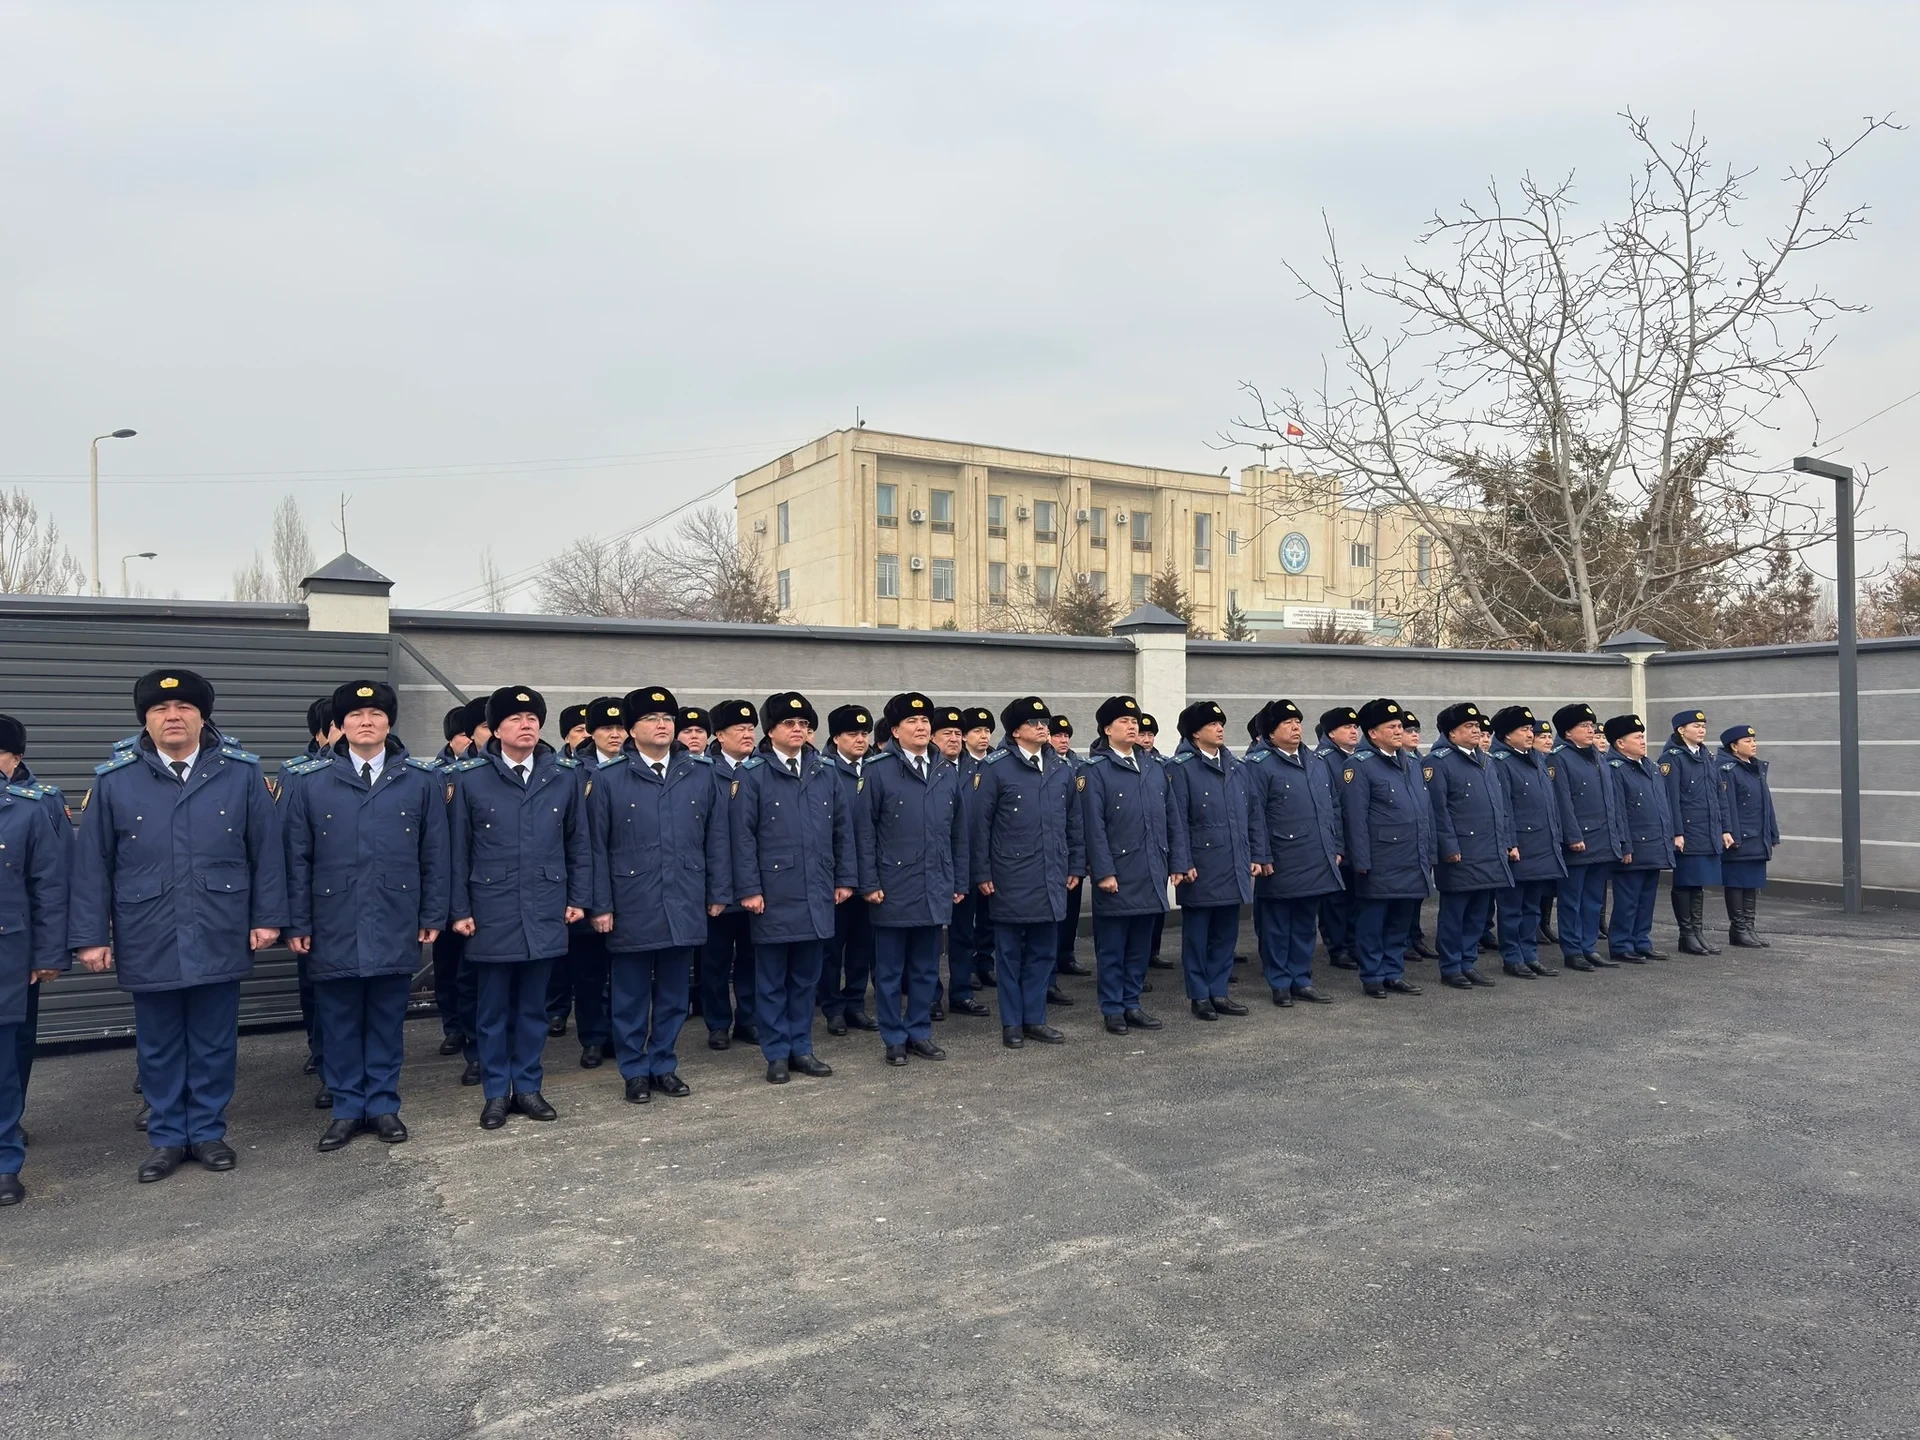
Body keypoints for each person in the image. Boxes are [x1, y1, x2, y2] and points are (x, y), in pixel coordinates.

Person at [71, 669, 287, 1182]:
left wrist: (268, 917)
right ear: (145, 720)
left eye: (185, 707)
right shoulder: (115, 780)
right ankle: (167, 1137)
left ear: (202, 717)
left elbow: (266, 853)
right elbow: (92, 865)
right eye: (161, 709)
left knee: (214, 1040)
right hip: (147, 929)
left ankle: (208, 1132)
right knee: (159, 1044)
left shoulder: (240, 774)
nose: (173, 716)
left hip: (219, 925)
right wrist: (90, 936)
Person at [282, 681, 449, 1151]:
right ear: (340, 726)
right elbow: (295, 859)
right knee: (337, 1020)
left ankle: (382, 1105)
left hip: (395, 915)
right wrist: (297, 922)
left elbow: (435, 854)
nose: (366, 722)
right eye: (355, 715)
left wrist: (433, 913)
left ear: (389, 722)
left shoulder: (420, 781)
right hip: (331, 919)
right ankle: (346, 1108)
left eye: (375, 713)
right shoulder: (310, 782)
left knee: (385, 1018)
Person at [446, 686, 590, 1130]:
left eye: (532, 719)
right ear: (496, 730)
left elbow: (578, 844)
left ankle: (527, 1086)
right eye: (515, 719)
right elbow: (456, 851)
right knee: (491, 1011)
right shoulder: (470, 778)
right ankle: (496, 1092)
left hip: (545, 905)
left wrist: (578, 898)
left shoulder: (562, 775)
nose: (526, 726)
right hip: (491, 908)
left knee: (533, 1008)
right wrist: (459, 909)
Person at [588, 686, 729, 1104]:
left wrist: (718, 891)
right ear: (632, 730)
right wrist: (601, 904)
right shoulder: (608, 777)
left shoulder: (700, 773)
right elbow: (595, 849)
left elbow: (716, 838)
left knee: (674, 994)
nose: (662, 725)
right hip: (632, 900)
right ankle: (634, 1070)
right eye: (651, 719)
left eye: (667, 718)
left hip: (684, 897)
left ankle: (663, 1063)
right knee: (630, 996)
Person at [731, 692, 856, 1083]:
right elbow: (742, 838)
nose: (798, 729)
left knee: (805, 979)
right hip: (773, 893)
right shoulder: (753, 774)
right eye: (789, 723)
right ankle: (776, 1054)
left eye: (803, 724)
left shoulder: (824, 771)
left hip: (816, 889)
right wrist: (750, 889)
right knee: (771, 981)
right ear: (771, 731)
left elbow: (842, 830)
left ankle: (802, 1047)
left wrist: (844, 878)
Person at [855, 692, 967, 1065]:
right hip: (893, 886)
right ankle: (894, 1038)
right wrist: (869, 883)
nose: (920, 727)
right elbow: (864, 833)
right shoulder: (878, 770)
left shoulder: (946, 769)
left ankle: (919, 1032)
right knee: (889, 972)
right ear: (895, 730)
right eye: (911, 722)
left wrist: (958, 881)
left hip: (935, 884)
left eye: (924, 721)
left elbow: (958, 833)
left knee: (926, 968)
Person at [969, 697, 1085, 1048]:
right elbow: (980, 826)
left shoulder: (1060, 767)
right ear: (1016, 731)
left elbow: (1073, 822)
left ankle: (1035, 1018)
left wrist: (1076, 864)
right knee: (1009, 955)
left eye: (1044, 722)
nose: (1042, 727)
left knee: (1043, 953)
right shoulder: (996, 768)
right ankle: (1012, 1023)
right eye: (1034, 723)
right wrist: (982, 872)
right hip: (1011, 875)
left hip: (1051, 874)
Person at [0, 715, 69, 1206]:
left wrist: (50, 951)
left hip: (12, 950)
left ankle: (7, 1147)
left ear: (16, 757)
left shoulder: (35, 804)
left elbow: (54, 881)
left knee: (11, 1051)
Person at [1080, 695, 1172, 1035]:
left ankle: (1132, 1003)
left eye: (1135, 721)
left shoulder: (1154, 767)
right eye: (1124, 721)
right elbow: (1093, 827)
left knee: (1139, 946)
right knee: (1113, 947)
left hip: (1150, 869)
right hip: (1118, 873)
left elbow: (1171, 819)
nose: (1133, 726)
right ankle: (1112, 1008)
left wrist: (1174, 863)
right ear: (1107, 729)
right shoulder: (1095, 771)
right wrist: (1103, 871)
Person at [1243, 699, 1341, 1008]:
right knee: (1277, 924)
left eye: (1297, 721)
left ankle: (1301, 979)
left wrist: (1336, 846)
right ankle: (1279, 982)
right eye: (1287, 723)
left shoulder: (1315, 761)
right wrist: (1261, 855)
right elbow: (1254, 814)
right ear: (1270, 733)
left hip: (1314, 855)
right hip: (1281, 857)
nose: (1295, 727)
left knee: (1304, 923)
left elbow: (1332, 807)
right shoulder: (1259, 765)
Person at [549, 696, 628, 1068]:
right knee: (590, 971)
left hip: (629, 886)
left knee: (626, 971)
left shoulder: (636, 767)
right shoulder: (571, 772)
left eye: (620, 727)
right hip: (586, 883)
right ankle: (593, 1037)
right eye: (606, 728)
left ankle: (622, 1035)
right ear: (591, 733)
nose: (615, 734)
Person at [1167, 700, 1255, 1020]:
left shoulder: (1236, 767)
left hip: (1232, 861)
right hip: (1201, 865)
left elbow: (1252, 816)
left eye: (1221, 724)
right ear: (1195, 733)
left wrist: (1255, 855)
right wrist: (1182, 862)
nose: (1219, 729)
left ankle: (1219, 991)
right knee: (1197, 935)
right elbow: (1176, 820)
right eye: (1212, 725)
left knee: (1226, 933)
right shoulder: (1180, 768)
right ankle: (1199, 995)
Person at [1339, 699, 1431, 1000]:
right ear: (1372, 733)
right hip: (1380, 859)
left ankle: (1394, 972)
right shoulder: (1359, 766)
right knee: (1373, 921)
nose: (1398, 731)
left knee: (1400, 921)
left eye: (1400, 726)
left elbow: (1423, 812)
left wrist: (1427, 852)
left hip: (1410, 857)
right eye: (1391, 726)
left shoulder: (1412, 764)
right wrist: (1361, 860)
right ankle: (1373, 975)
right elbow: (1355, 817)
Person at [1424, 703, 1510, 990]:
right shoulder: (1439, 762)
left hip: (1488, 849)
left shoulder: (1486, 760)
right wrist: (1448, 847)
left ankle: (1468, 962)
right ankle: (1451, 966)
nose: (1476, 731)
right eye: (1469, 727)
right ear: (1451, 733)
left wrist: (1504, 841)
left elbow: (1499, 806)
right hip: (1461, 851)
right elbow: (1438, 810)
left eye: (1477, 727)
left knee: (1478, 912)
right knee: (1455, 913)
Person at [1487, 707, 1564, 979]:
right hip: (1519, 845)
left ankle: (1530, 954)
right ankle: (1512, 957)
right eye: (1524, 730)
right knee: (1512, 907)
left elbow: (1550, 804)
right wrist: (1510, 842)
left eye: (1531, 729)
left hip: (1541, 843)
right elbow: (1503, 806)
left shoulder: (1537, 759)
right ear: (1507, 735)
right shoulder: (1500, 762)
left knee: (1532, 906)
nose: (1530, 734)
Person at [701, 700, 761, 1049]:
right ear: (720, 735)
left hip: (755, 885)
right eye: (739, 729)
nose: (747, 734)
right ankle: (718, 1024)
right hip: (719, 886)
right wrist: (715, 890)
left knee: (752, 959)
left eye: (751, 728)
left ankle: (749, 1019)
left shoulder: (761, 770)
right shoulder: (704, 772)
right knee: (716, 961)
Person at [1549, 704, 1626, 972]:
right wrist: (1572, 836)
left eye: (1591, 725)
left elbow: (1611, 801)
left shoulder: (1598, 756)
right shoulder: (1559, 758)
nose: (1591, 730)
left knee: (1594, 898)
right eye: (1584, 726)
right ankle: (1572, 950)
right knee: (1572, 899)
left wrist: (1617, 835)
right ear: (1568, 732)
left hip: (1602, 838)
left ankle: (1588, 946)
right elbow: (1562, 801)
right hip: (1579, 841)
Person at [818, 704, 878, 1037]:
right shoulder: (824, 771)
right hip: (835, 876)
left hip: (868, 874)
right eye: (853, 733)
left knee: (861, 946)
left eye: (864, 733)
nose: (860, 739)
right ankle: (833, 1008)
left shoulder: (875, 769)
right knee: (831, 949)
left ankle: (855, 1003)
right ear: (836, 738)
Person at [1662, 709, 1733, 956]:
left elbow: (1719, 795)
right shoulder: (1672, 758)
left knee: (1698, 883)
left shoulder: (1706, 756)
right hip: (1688, 830)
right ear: (1681, 730)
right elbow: (1671, 799)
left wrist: (1725, 828)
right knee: (1685, 882)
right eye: (1695, 726)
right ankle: (1686, 935)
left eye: (1703, 726)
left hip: (1707, 829)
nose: (1701, 730)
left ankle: (1697, 931)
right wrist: (1676, 832)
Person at [1603, 714, 1672, 964]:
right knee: (1628, 900)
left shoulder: (1651, 767)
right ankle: (1621, 943)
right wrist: (1624, 844)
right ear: (1620, 743)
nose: (1643, 741)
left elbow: (1663, 806)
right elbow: (1618, 811)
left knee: (1646, 899)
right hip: (1634, 844)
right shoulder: (1614, 769)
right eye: (1637, 737)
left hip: (1654, 843)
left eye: (1643, 736)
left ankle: (1641, 940)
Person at [928, 706, 983, 1018]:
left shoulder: (979, 769)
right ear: (933, 737)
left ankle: (961, 992)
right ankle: (931, 996)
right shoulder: (929, 768)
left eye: (957, 733)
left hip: (966, 864)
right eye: (946, 733)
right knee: (931, 937)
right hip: (933, 866)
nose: (953, 738)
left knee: (963, 934)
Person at [951, 707, 999, 1000]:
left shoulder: (995, 764)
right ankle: (965, 968)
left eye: (987, 731)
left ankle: (985, 961)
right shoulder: (958, 766)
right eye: (977, 731)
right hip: (965, 853)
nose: (984, 736)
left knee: (989, 916)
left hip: (993, 853)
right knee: (963, 920)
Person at [1718, 724, 1779, 948]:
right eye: (1747, 741)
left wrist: (1771, 832)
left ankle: (1749, 928)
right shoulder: (1727, 769)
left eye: (1754, 740)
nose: (1753, 744)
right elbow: (1727, 805)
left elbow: (1766, 804)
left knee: (1752, 883)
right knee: (1736, 882)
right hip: (1739, 837)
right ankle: (1738, 929)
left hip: (1757, 836)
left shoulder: (1756, 767)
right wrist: (1731, 833)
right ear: (1734, 747)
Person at [1314, 707, 1363, 970]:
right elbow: (1328, 807)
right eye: (1347, 727)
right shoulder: (1323, 760)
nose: (1354, 731)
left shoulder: (1359, 758)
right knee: (1335, 899)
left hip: (1357, 839)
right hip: (1336, 839)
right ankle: (1338, 947)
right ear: (1331, 733)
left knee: (1356, 896)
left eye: (1355, 727)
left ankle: (1354, 944)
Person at [1046, 714, 1091, 993]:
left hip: (1073, 846)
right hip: (1052, 846)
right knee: (1053, 912)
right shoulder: (1046, 765)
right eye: (1058, 735)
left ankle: (1066, 954)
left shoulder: (1079, 765)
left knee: (1071, 908)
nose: (1063, 740)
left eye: (1066, 736)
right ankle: (1050, 963)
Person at [1397, 712, 1439, 964]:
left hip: (1421, 836)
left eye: (1416, 730)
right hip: (1400, 842)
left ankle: (1415, 937)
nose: (1414, 735)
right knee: (1402, 899)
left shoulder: (1418, 761)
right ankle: (1405, 941)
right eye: (1408, 730)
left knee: (1416, 896)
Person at [1530, 722, 1559, 944]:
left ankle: (1544, 923)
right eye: (1542, 737)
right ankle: (1537, 926)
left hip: (1551, 829)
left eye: (1550, 737)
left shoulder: (1548, 761)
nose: (1548, 741)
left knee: (1548, 884)